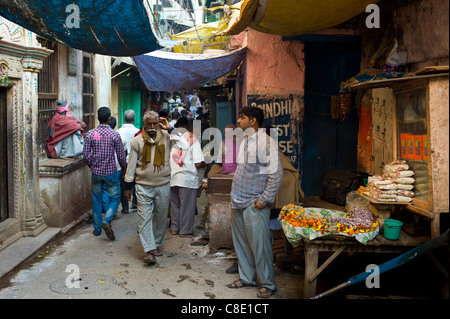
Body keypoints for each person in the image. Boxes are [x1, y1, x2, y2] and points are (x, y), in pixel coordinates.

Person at [227, 106, 283, 299]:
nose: (239, 121)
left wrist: (264, 200)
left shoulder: (266, 143)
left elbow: (276, 175)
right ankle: (247, 278)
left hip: (254, 203)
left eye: (241, 118)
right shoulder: (246, 141)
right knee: (241, 243)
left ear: (252, 121)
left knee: (260, 246)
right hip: (238, 201)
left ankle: (267, 284)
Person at [124, 110, 189, 265]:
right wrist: (127, 186)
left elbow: (184, 145)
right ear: (144, 125)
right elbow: (131, 165)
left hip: (163, 185)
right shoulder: (137, 141)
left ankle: (157, 244)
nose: (152, 127)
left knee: (160, 218)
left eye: (155, 123)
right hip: (143, 186)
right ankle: (149, 250)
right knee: (144, 219)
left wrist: (170, 129)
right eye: (149, 124)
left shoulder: (167, 137)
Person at [83, 107, 127, 240]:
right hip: (111, 172)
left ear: (98, 118)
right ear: (109, 119)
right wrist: (124, 169)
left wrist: (92, 165)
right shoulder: (114, 135)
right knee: (114, 198)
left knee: (96, 200)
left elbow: (86, 154)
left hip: (96, 172)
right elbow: (121, 156)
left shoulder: (90, 134)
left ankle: (97, 230)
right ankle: (107, 220)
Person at [169, 118, 206, 237]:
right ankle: (185, 231)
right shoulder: (193, 140)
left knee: (175, 205)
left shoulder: (176, 139)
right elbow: (198, 163)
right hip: (187, 178)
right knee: (187, 206)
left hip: (173, 177)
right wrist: (205, 162)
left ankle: (175, 228)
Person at [117, 109, 139, 214]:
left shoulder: (118, 132)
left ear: (124, 119)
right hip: (134, 160)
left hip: (123, 161)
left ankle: (125, 207)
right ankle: (135, 202)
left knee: (123, 183)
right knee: (135, 181)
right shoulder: (137, 132)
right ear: (134, 119)